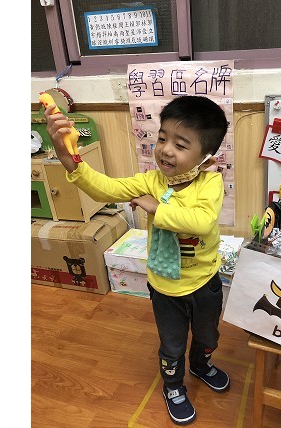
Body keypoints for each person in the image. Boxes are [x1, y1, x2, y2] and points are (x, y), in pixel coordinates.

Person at [44, 95, 230, 425]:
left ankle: (201, 366)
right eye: (162, 138)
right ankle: (173, 387)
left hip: (204, 283)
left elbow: (202, 222)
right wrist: (69, 159)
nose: (166, 150)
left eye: (180, 144)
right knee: (172, 346)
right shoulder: (150, 181)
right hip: (165, 287)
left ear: (205, 158)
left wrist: (155, 206)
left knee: (208, 338)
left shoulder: (210, 182)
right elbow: (104, 189)